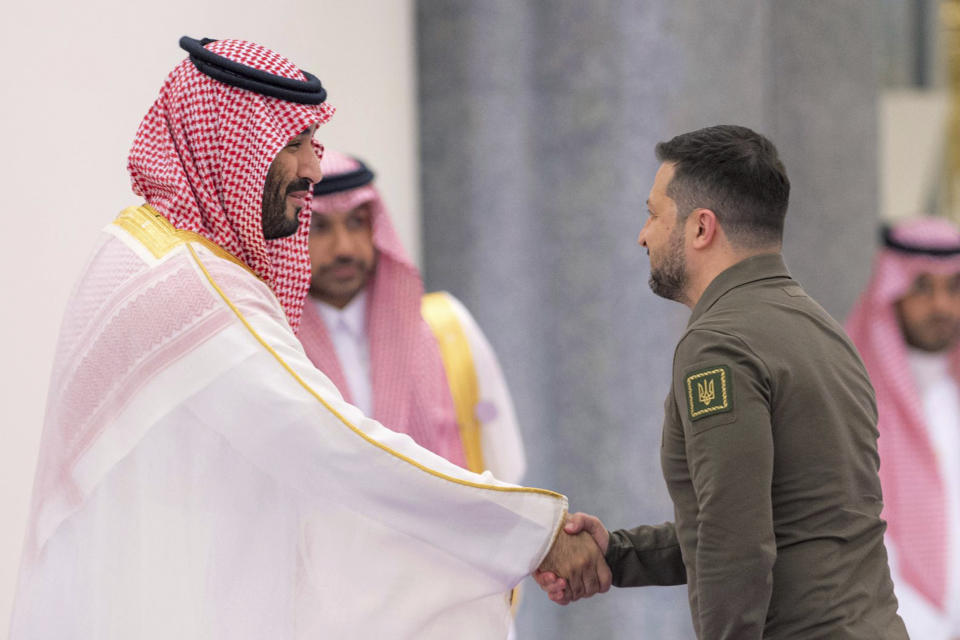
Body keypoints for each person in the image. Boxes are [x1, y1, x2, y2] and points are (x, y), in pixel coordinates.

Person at [9, 36, 607, 639]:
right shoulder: (189, 286)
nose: (313, 170)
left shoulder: (139, 253)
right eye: (293, 145)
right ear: (229, 147)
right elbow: (333, 446)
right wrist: (530, 532)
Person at [536, 125, 908, 639]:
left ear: (700, 228)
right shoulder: (821, 328)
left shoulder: (719, 344)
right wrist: (617, 554)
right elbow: (780, 520)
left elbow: (736, 540)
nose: (642, 234)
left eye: (653, 214)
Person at [300, 150, 525, 483]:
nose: (343, 247)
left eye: (356, 222)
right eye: (319, 228)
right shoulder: (273, 339)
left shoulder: (446, 327)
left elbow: (504, 462)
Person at [847, 218, 960, 640]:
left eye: (954, 288)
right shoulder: (852, 399)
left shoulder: (952, 394)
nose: (942, 307)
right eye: (923, 287)